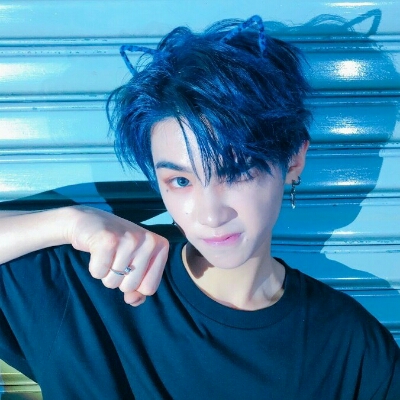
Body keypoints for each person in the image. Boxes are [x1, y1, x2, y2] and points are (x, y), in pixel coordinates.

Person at [0, 15, 399, 399]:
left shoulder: (353, 350)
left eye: (237, 172)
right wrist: (70, 222)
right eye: (181, 181)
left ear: (293, 160)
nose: (210, 215)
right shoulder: (85, 288)